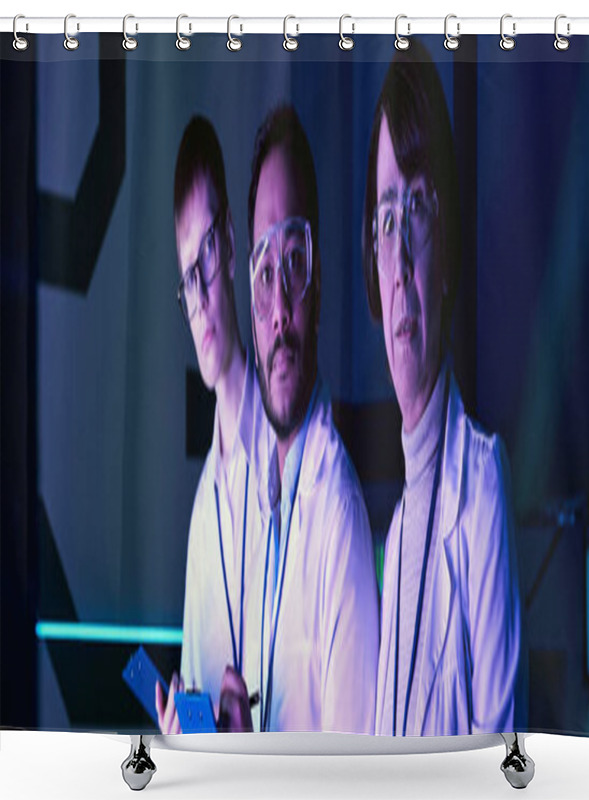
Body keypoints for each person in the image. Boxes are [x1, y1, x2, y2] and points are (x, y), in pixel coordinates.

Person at [362, 48, 521, 736]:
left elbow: (505, 759)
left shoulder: (480, 482)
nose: (397, 265)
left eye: (417, 208)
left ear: (448, 248)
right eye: (386, 218)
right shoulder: (397, 534)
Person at [238, 104, 379, 733]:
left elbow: (353, 777)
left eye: (295, 261)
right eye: (265, 271)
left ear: (318, 285)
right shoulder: (262, 492)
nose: (278, 311)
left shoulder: (337, 513)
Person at [157, 115, 273, 734]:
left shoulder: (296, 461)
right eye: (185, 276)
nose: (198, 296)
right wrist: (183, 734)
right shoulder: (205, 510)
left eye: (204, 254)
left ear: (230, 242)